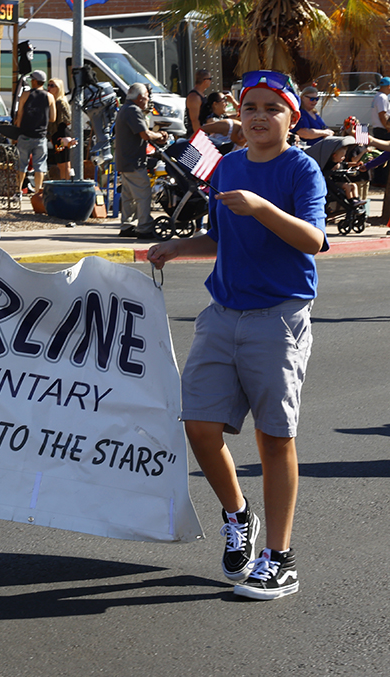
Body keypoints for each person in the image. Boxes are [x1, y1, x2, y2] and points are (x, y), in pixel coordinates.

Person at [147, 71, 328, 600]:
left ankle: (281, 557)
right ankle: (237, 515)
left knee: (274, 438)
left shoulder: (301, 169)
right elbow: (221, 237)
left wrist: (263, 207)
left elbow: (314, 240)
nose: (258, 116)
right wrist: (178, 249)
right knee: (199, 427)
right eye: (250, 106)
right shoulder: (227, 166)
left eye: (273, 108)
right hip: (221, 312)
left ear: (292, 119)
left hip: (279, 316)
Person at [116, 83, 168, 239]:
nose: (148, 99)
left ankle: (127, 225)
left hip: (124, 160)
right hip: (133, 161)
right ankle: (144, 227)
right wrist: (160, 135)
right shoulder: (133, 110)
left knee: (128, 195)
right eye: (146, 96)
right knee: (143, 192)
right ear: (140, 98)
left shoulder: (125, 109)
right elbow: (144, 134)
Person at [14, 69, 55, 195]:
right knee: (40, 166)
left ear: (35, 81)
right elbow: (53, 118)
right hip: (40, 136)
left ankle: (18, 191)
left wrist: (18, 128)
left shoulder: (26, 94)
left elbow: (20, 113)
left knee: (21, 166)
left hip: (25, 135)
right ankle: (38, 192)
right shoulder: (49, 96)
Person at [45, 78, 73, 179]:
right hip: (56, 135)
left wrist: (60, 138)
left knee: (65, 163)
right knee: (61, 163)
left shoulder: (60, 102)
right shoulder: (53, 101)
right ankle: (63, 183)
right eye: (48, 85)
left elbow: (66, 120)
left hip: (62, 134)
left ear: (58, 88)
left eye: (52, 86)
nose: (49, 88)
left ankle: (67, 184)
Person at [185, 69, 211, 136]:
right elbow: (194, 120)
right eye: (210, 79)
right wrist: (201, 136)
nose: (211, 81)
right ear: (205, 81)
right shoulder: (194, 96)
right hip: (196, 135)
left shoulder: (201, 94)